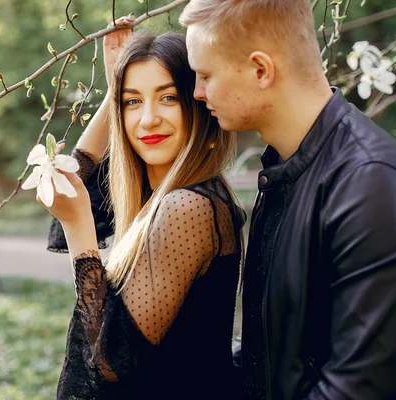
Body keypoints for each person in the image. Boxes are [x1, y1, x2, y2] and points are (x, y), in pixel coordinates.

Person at [179, 1, 396, 399]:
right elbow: (277, 353)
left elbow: (359, 387)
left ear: (261, 69)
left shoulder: (369, 185)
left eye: (206, 74)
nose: (197, 92)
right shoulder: (283, 169)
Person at [39, 25, 246, 399]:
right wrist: (113, 93)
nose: (147, 119)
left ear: (198, 104)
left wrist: (78, 224)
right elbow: (79, 185)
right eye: (133, 102)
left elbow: (106, 366)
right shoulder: (159, 195)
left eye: (167, 98)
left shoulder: (188, 207)